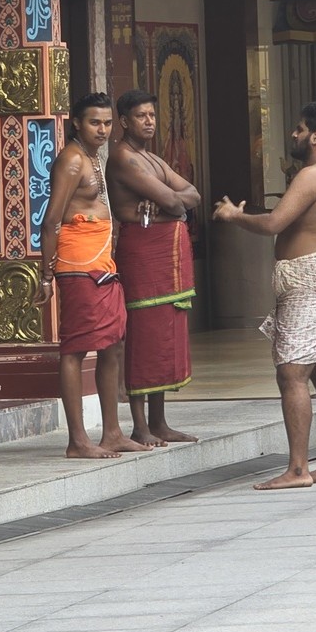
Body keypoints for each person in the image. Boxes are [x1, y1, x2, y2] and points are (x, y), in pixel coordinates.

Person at [213, 101, 316, 491]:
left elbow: (275, 222)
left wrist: (234, 216)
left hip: (311, 283)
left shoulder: (312, 176)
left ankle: (298, 469)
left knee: (292, 372)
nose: (293, 135)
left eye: (299, 129)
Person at [37, 92, 150, 460]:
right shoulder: (72, 161)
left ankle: (112, 432)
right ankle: (78, 440)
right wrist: (45, 274)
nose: (102, 130)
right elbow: (51, 220)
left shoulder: (93, 157)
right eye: (94, 123)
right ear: (76, 124)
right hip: (78, 266)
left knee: (112, 344)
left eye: (106, 123)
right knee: (74, 349)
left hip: (102, 266)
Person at [106, 89, 201, 447]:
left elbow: (192, 195)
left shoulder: (153, 159)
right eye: (141, 116)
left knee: (166, 334)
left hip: (168, 258)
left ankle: (160, 422)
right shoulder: (123, 159)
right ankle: (140, 425)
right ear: (125, 121)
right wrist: (170, 202)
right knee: (144, 334)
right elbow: (175, 201)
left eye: (152, 115)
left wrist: (171, 202)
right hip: (143, 256)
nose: (149, 121)